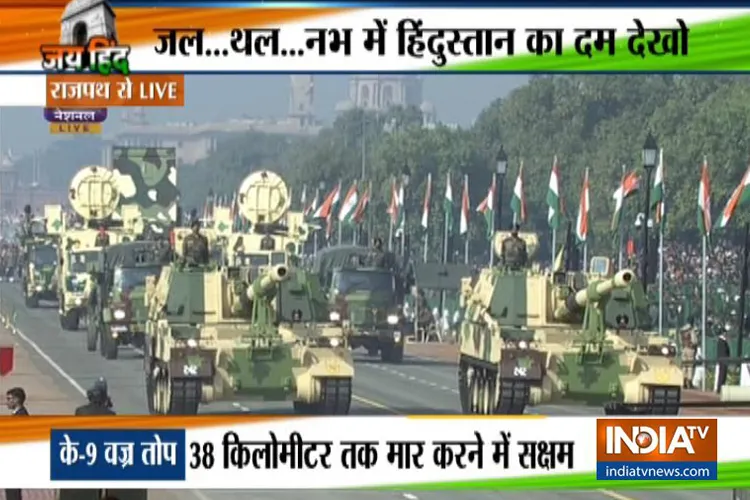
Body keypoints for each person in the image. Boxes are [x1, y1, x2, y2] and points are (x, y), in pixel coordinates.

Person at [5, 387, 27, 500]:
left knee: (13, 493)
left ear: (17, 400)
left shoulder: (20, 417)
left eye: (9, 399)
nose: (7, 402)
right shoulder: (18, 415)